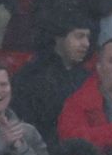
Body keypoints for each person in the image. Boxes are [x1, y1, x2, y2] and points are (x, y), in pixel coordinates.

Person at [13, 11, 92, 141]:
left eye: (88, 37)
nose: (86, 43)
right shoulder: (31, 76)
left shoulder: (87, 77)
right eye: (79, 36)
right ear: (59, 38)